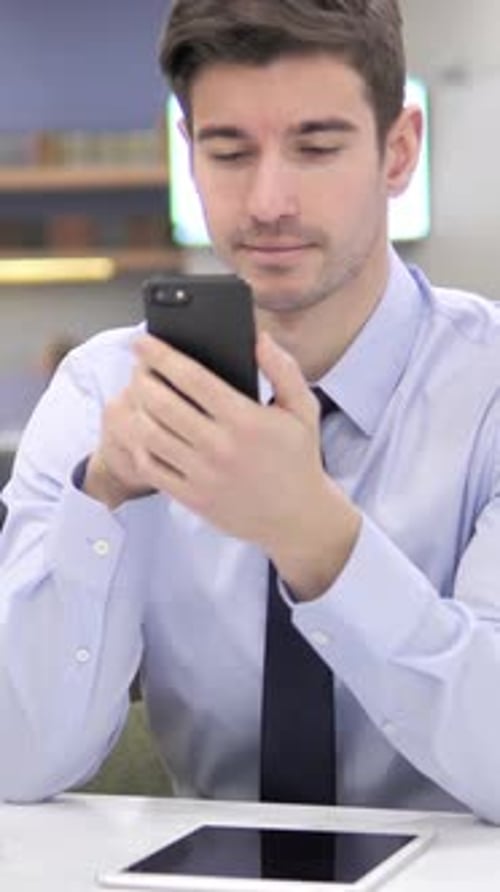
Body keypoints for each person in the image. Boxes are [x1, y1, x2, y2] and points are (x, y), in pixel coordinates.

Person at [1, 0, 500, 823]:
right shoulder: (102, 395)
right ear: (190, 158)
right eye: (228, 151)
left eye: (316, 147)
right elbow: (18, 764)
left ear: (398, 151)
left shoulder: (486, 391)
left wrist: (317, 542)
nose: (269, 201)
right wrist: (103, 497)